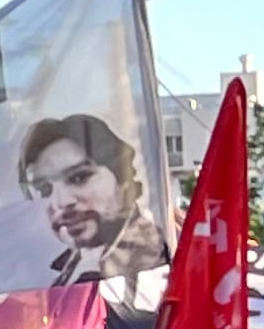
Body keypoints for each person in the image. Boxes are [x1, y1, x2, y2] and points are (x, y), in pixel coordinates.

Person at [20, 112, 165, 297]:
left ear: (123, 178)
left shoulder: (162, 260)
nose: (61, 202)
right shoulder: (52, 273)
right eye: (45, 190)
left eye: (79, 178)